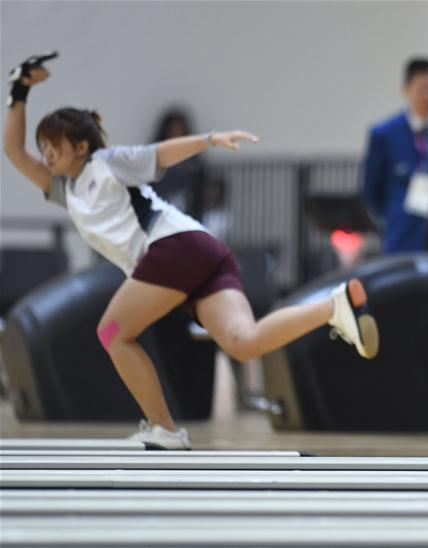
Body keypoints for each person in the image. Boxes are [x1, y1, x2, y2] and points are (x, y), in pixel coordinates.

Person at [3, 53, 379, 449]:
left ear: (80, 147)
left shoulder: (105, 164)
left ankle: (163, 428)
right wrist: (19, 91)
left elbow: (158, 154)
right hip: (202, 251)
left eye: (54, 145)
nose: (45, 153)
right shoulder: (67, 190)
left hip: (172, 248)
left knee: (112, 332)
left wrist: (208, 140)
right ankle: (334, 308)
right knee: (243, 342)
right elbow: (13, 151)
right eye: (43, 146)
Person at [362, 58, 428, 253]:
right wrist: (393, 215)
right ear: (407, 89)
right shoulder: (385, 134)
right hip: (403, 235)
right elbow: (371, 188)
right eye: (422, 88)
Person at [151, 108, 205, 218]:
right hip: (163, 203)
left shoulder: (192, 156)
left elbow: (198, 184)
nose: (176, 133)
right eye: (173, 130)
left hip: (187, 204)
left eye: (179, 130)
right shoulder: (157, 152)